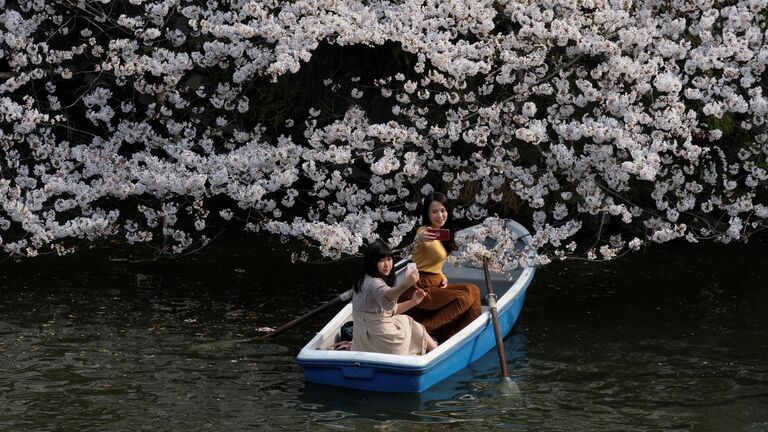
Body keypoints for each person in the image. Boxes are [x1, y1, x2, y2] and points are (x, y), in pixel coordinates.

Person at [399, 192, 482, 341]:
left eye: (443, 210)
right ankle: (424, 330)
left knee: (474, 291)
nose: (440, 215)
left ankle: (459, 333)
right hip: (422, 285)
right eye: (434, 211)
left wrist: (442, 275)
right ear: (427, 214)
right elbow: (417, 245)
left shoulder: (442, 233)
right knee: (464, 298)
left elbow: (432, 260)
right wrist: (419, 238)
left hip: (437, 282)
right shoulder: (424, 232)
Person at [351, 240, 438, 355]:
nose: (387, 264)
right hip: (380, 341)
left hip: (361, 341)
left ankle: (434, 350)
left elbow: (390, 310)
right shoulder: (374, 283)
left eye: (389, 259)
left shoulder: (363, 278)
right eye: (381, 260)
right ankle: (436, 352)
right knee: (409, 323)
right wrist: (405, 285)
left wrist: (414, 301)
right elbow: (386, 295)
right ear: (372, 262)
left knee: (404, 320)